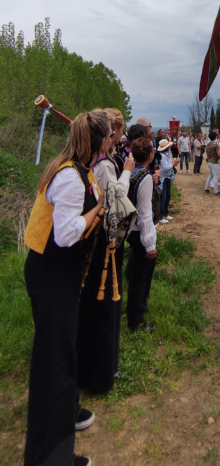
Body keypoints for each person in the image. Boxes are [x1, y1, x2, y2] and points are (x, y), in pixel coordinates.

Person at [24, 111, 110, 466]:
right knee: (53, 360)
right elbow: (65, 234)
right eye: (109, 137)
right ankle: (50, 457)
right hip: (51, 271)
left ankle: (65, 411)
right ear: (99, 141)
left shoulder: (76, 168)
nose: (112, 142)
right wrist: (97, 210)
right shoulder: (72, 178)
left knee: (60, 351)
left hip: (56, 271)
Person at [77, 109, 135, 395]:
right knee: (102, 302)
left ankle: (104, 364)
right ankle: (99, 370)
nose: (117, 136)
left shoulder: (106, 159)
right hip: (102, 239)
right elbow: (114, 199)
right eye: (114, 132)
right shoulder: (104, 165)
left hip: (103, 236)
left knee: (106, 302)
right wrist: (127, 173)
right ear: (107, 135)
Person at [127, 136, 157, 331]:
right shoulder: (145, 177)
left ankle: (135, 309)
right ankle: (136, 320)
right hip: (139, 231)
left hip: (130, 228)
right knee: (141, 276)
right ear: (150, 155)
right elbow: (145, 213)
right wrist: (150, 244)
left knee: (135, 272)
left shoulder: (130, 172)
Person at [158, 138, 180, 221]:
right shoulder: (163, 156)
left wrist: (173, 164)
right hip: (164, 177)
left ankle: (165, 213)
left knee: (168, 195)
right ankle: (161, 215)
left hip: (167, 177)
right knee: (163, 196)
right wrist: (173, 164)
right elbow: (166, 167)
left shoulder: (166, 154)